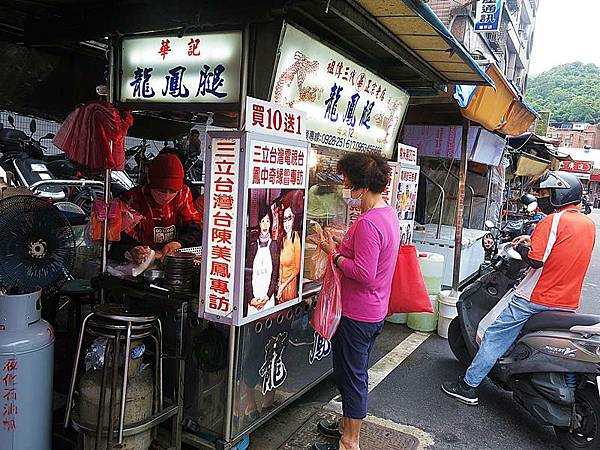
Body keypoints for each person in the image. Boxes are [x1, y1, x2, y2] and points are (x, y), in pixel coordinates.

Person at [441, 171, 596, 406]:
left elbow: (535, 260)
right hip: (567, 301)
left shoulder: (552, 220)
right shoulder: (588, 224)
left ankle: (467, 387)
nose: (541, 197)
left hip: (535, 296)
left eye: (546, 193)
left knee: (493, 335)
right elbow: (561, 251)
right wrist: (530, 239)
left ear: (560, 194)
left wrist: (525, 249)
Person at [313, 152, 400, 450]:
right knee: (351, 372)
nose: (346, 186)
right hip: (373, 310)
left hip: (357, 314)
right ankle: (344, 427)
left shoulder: (368, 223)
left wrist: (332, 253)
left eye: (349, 181)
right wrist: (342, 246)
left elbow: (364, 273)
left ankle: (350, 442)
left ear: (361, 185)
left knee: (352, 377)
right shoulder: (387, 214)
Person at [109, 153, 202, 263]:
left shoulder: (183, 193)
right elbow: (116, 244)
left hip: (172, 261)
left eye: (172, 191)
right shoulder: (132, 199)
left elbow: (194, 229)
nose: (167, 197)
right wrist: (130, 251)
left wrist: (178, 243)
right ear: (150, 184)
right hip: (138, 265)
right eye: (161, 191)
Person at [244, 203, 280, 316]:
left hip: (268, 300)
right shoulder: (252, 245)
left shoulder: (274, 245)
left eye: (268, 221)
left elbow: (275, 274)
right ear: (259, 223)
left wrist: (268, 296)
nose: (265, 225)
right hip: (254, 301)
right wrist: (251, 298)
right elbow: (247, 273)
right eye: (263, 221)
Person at [277, 203, 302, 303]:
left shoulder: (295, 238)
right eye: (284, 219)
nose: (286, 222)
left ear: (293, 219)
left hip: (290, 285)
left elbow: (296, 269)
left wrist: (283, 285)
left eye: (289, 218)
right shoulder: (282, 239)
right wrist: (279, 283)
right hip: (281, 285)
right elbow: (280, 266)